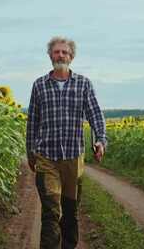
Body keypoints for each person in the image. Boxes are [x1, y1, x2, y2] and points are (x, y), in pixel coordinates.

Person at [26, 36, 107, 249]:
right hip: (46, 158)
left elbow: (95, 115)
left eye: (64, 52)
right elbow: (32, 122)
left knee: (69, 213)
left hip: (73, 158)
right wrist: (30, 152)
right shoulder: (39, 85)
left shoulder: (83, 84)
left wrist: (100, 140)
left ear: (71, 56)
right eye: (56, 51)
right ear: (50, 55)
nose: (60, 55)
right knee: (51, 212)